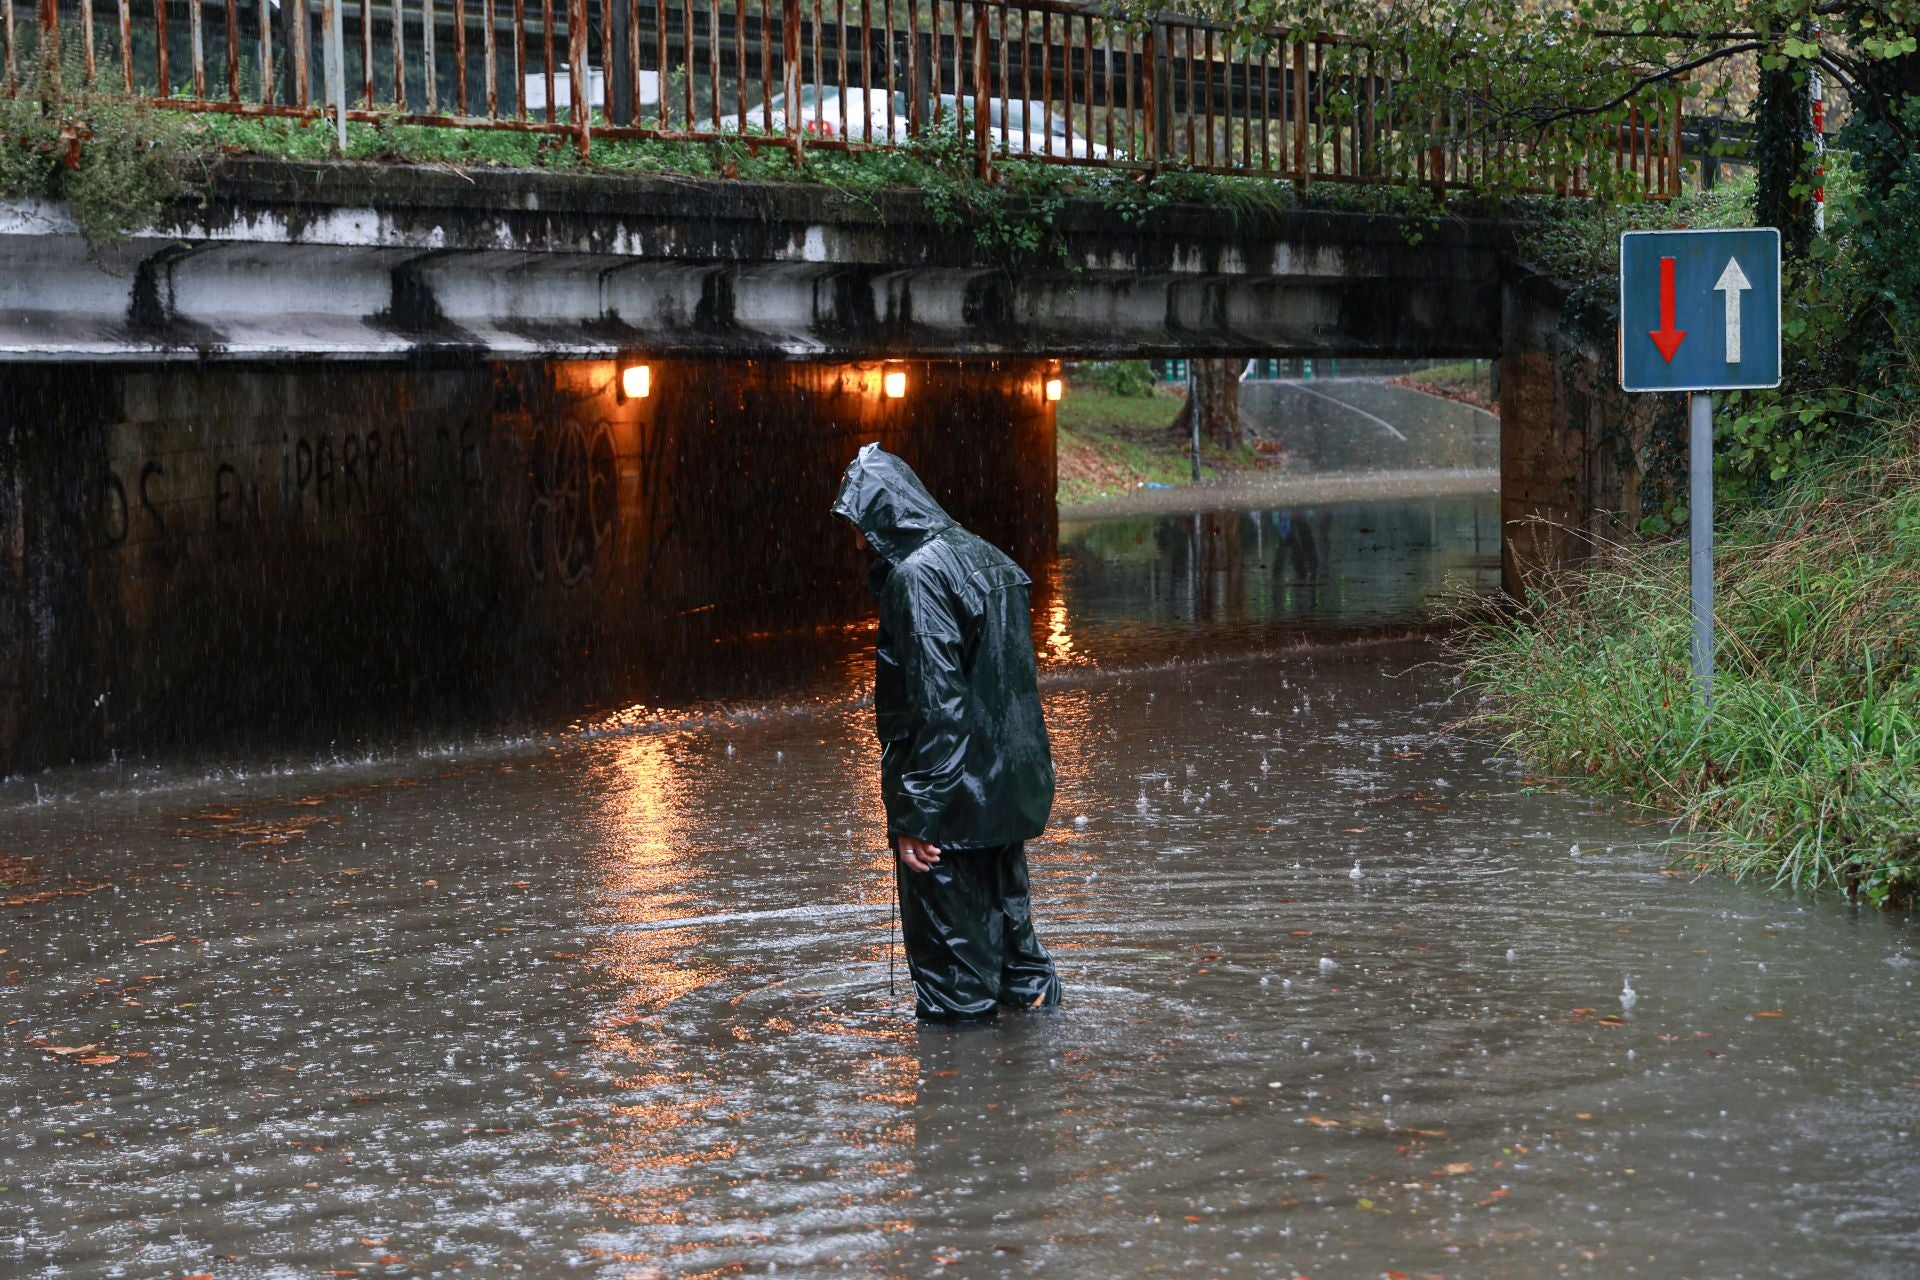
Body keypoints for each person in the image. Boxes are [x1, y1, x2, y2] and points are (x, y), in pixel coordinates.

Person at [831, 443, 1062, 1023]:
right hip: (1006, 793)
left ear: (881, 515)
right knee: (1016, 956)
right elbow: (1010, 690)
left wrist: (915, 816)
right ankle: (1036, 1074)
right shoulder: (991, 559)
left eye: (857, 522)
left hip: (954, 809)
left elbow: (940, 704)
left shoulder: (917, 578)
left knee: (954, 976)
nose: (856, 540)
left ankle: (961, 1096)